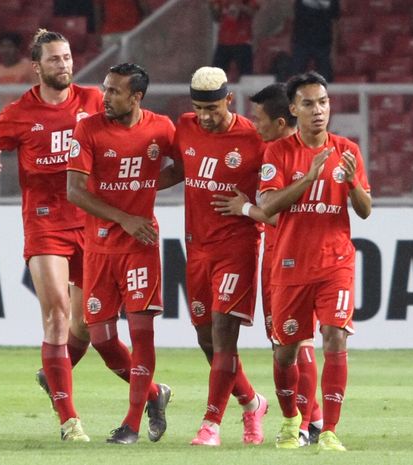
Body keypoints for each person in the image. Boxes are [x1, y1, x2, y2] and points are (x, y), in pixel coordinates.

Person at [0, 29, 103, 442]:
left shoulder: (94, 101)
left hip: (90, 221)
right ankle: (69, 421)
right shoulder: (19, 112)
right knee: (57, 314)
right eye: (54, 60)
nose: (63, 65)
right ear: (37, 67)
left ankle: (56, 377)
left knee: (86, 326)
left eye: (66, 58)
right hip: (45, 224)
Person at [256, 71, 371, 451]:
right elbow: (267, 205)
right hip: (290, 265)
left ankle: (331, 431)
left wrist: (353, 184)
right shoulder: (279, 153)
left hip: (335, 262)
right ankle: (291, 420)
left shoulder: (348, 150)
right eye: (308, 103)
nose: (318, 110)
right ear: (293, 109)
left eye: (323, 102)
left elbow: (366, 211)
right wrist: (307, 179)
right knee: (285, 351)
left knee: (335, 337)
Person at [157, 66, 267, 447]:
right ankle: (252, 402)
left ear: (229, 100)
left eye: (213, 108)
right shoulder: (185, 126)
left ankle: (211, 424)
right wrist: (133, 188)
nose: (205, 116)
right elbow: (178, 170)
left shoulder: (254, 139)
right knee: (206, 339)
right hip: (197, 247)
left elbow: (274, 189)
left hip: (236, 247)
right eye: (199, 107)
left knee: (223, 334)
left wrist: (249, 206)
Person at [211, 82, 324, 446]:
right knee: (290, 342)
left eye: (259, 119)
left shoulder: (280, 153)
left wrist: (245, 209)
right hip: (287, 256)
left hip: (289, 257)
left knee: (292, 341)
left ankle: (305, 422)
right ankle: (314, 418)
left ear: (279, 121)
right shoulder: (297, 150)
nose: (253, 125)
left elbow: (281, 217)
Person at [66, 63, 173, 444]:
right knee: (102, 338)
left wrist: (147, 187)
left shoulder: (161, 128)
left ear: (136, 97)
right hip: (98, 247)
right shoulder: (89, 128)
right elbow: (75, 191)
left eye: (114, 91)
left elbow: (187, 163)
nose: (105, 96)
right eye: (105, 88)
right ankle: (156, 393)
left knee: (142, 333)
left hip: (140, 245)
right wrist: (125, 216)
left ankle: (130, 423)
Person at [286, 0, 340, 83]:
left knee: (326, 79)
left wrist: (334, 49)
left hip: (323, 44)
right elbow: (293, 18)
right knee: (295, 78)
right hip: (301, 42)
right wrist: (290, 42)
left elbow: (335, 23)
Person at [209, 0, 260, 79]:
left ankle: (247, 91)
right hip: (224, 40)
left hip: (242, 40)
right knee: (215, 76)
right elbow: (216, 17)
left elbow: (252, 12)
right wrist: (214, 8)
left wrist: (240, 6)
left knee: (246, 77)